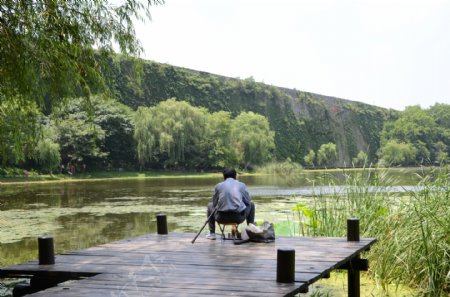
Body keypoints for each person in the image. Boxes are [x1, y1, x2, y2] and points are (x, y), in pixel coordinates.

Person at [206, 168, 255, 240]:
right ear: (235, 176)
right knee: (251, 204)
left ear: (224, 177)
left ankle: (212, 233)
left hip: (221, 218)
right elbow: (248, 201)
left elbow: (214, 203)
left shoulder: (218, 186)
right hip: (238, 218)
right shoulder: (242, 185)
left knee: (209, 205)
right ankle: (251, 232)